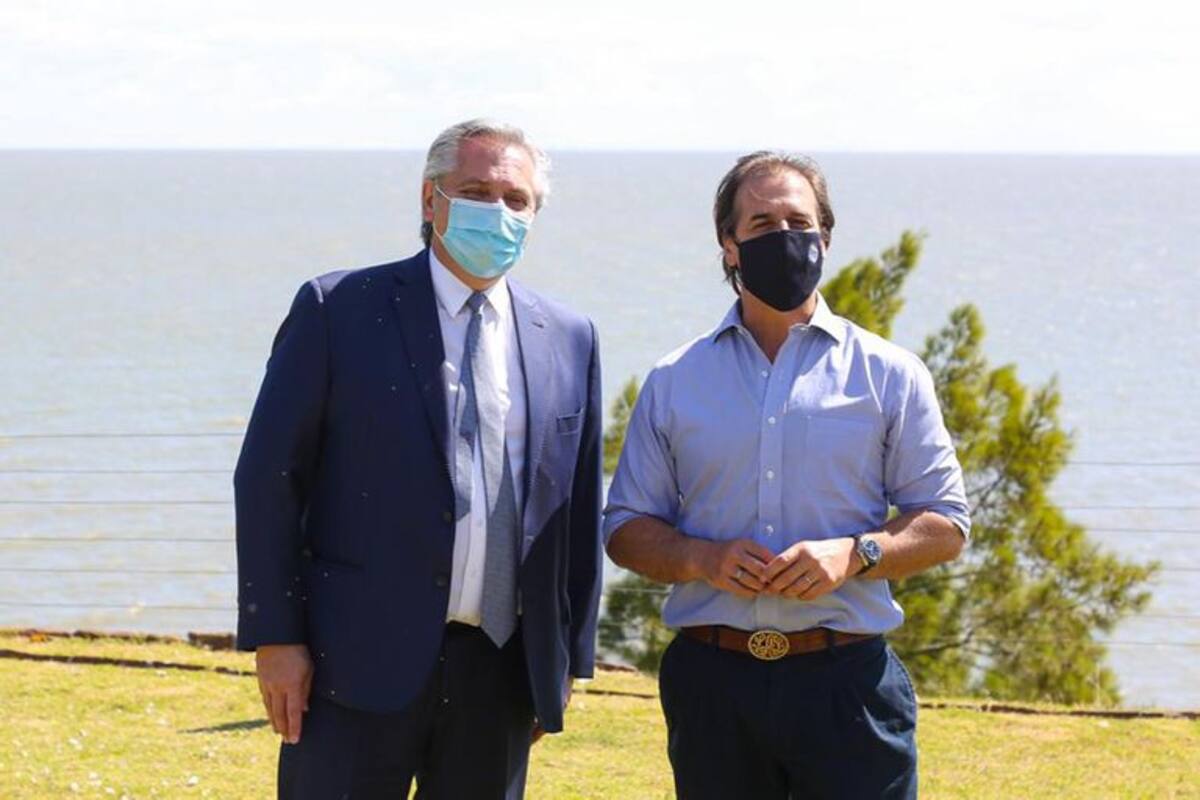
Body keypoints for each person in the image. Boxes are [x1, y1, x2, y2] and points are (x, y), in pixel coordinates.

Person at [234, 119, 603, 799]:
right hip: (351, 662)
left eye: (516, 200)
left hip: (500, 671)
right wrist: (275, 638)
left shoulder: (569, 337)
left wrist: (566, 661)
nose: (497, 212)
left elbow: (575, 508)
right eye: (475, 190)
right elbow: (268, 478)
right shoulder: (338, 308)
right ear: (431, 200)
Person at [603, 151, 970, 799]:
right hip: (713, 686)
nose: (784, 237)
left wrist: (857, 554)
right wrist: (699, 557)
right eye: (762, 222)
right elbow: (626, 529)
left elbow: (945, 526)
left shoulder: (889, 374)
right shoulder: (673, 381)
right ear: (730, 245)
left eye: (799, 221)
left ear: (825, 238)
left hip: (848, 685)